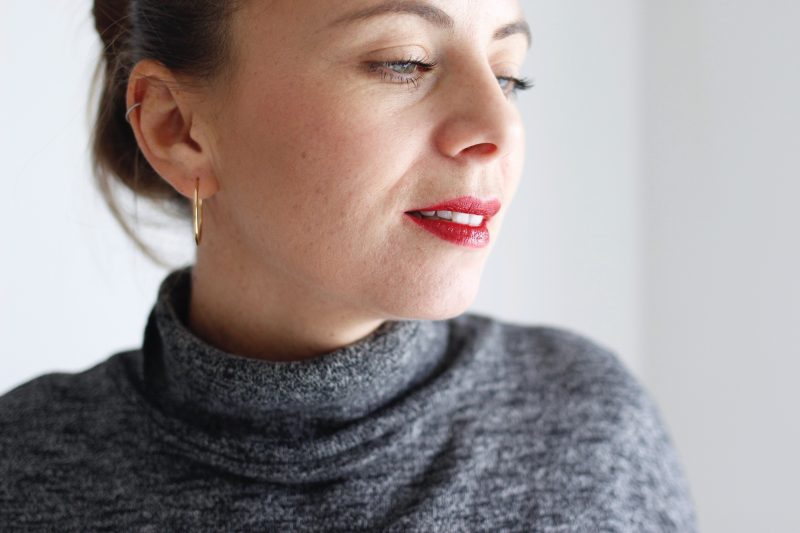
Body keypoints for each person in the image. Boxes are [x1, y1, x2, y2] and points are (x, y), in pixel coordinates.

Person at [0, 1, 698, 531]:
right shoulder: (23, 472)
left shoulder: (588, 431)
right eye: (405, 62)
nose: (498, 127)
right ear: (177, 129)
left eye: (509, 74)